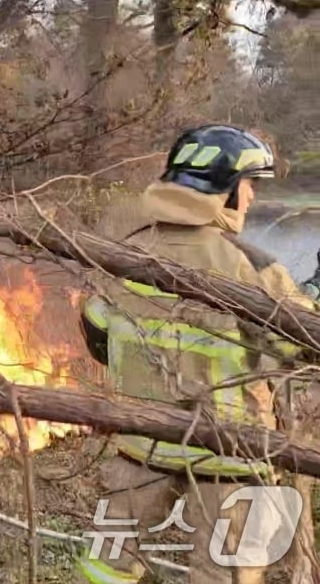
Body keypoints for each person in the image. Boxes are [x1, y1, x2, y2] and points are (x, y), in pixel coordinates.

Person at [75, 124, 319, 584]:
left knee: (107, 565)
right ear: (223, 191)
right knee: (224, 574)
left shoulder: (127, 252)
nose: (251, 199)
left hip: (140, 446)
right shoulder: (249, 265)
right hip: (230, 452)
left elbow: (98, 334)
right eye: (249, 186)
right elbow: (300, 347)